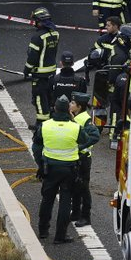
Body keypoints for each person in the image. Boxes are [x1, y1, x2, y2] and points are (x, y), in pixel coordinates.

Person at [33, 95, 88, 244]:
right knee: (65, 202)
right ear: (68, 110)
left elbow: (36, 146)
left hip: (50, 169)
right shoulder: (75, 127)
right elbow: (84, 139)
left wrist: (40, 164)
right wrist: (73, 121)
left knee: (47, 199)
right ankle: (60, 236)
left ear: (55, 109)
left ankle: (43, 231)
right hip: (69, 170)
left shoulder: (45, 126)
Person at [24, 7, 60, 128]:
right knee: (49, 98)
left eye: (35, 20)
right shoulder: (55, 33)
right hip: (51, 73)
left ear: (39, 21)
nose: (34, 23)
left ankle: (41, 124)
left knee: (39, 99)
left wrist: (26, 70)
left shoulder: (37, 37)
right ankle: (49, 121)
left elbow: (32, 57)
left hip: (39, 75)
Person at [69, 91, 100, 227]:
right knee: (75, 187)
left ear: (79, 106)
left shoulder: (85, 120)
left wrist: (80, 147)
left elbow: (95, 136)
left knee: (83, 188)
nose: (70, 105)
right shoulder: (76, 117)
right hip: (76, 158)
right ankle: (75, 212)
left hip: (83, 159)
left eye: (72, 103)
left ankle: (86, 216)